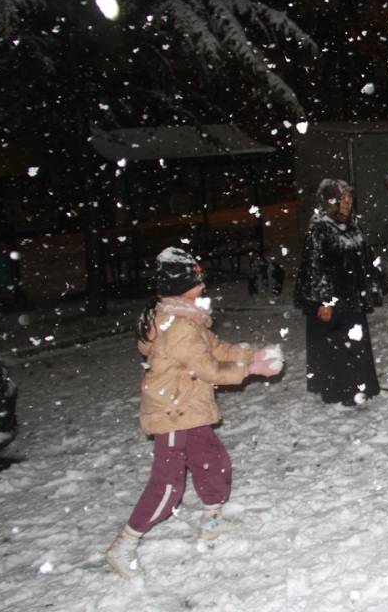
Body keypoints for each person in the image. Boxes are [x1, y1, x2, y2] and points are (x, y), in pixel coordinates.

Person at [105, 247, 284, 579]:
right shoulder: (179, 327)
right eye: (196, 279)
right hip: (174, 412)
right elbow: (210, 368)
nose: (202, 284)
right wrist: (253, 368)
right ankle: (124, 544)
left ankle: (211, 523)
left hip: (191, 410)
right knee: (168, 487)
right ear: (179, 284)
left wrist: (250, 353)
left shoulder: (187, 318)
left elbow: (216, 349)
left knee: (213, 462)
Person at [293, 178, 388, 406]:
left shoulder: (351, 226)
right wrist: (324, 301)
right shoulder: (320, 229)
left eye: (349, 198)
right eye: (343, 198)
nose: (348, 203)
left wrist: (375, 280)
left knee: (356, 343)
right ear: (330, 201)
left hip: (352, 298)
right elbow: (316, 268)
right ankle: (342, 392)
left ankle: (362, 386)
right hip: (333, 301)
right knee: (337, 347)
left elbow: (364, 257)